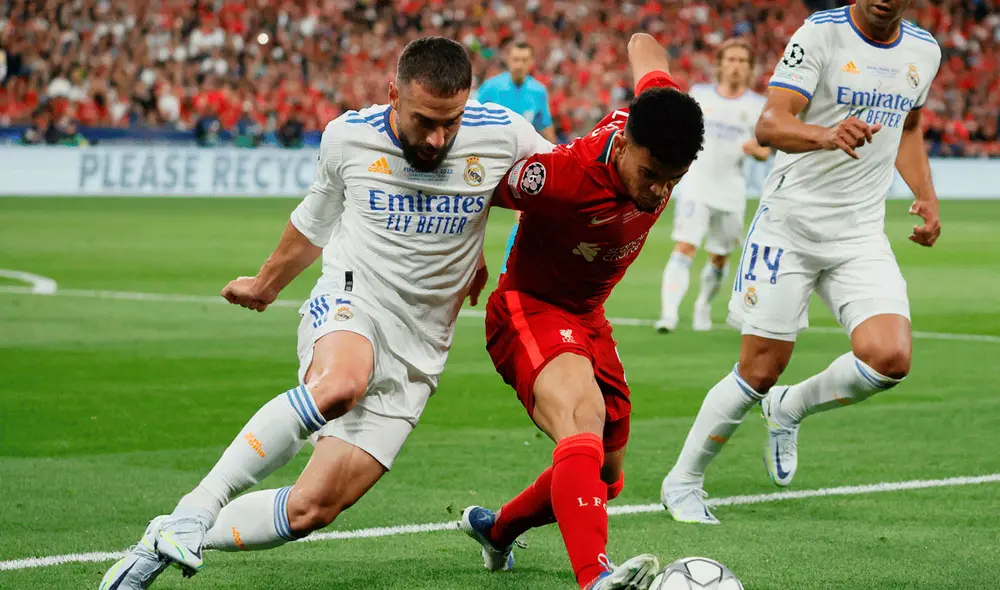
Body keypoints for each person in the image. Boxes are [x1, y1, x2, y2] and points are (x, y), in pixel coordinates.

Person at [99, 36, 553, 589]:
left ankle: (167, 537)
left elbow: (565, 181)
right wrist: (266, 285)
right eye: (424, 121)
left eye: (451, 122)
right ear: (393, 95)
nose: (437, 138)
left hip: (422, 345)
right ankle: (197, 506)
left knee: (310, 510)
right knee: (341, 383)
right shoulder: (349, 137)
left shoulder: (502, 131)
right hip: (352, 297)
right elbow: (314, 220)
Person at [661, 0, 942, 525]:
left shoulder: (924, 51)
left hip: (860, 232)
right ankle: (683, 481)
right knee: (760, 369)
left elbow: (907, 128)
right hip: (789, 224)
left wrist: (925, 194)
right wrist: (826, 135)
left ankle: (790, 409)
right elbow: (770, 125)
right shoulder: (820, 34)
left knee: (890, 357)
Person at [460, 33, 705, 590]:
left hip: (589, 316)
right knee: (582, 421)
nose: (659, 190)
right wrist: (468, 256)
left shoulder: (657, 118)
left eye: (674, 178)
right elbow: (468, 182)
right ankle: (594, 578)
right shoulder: (563, 177)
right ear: (622, 147)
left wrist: (651, 62)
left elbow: (645, 43)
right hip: (530, 307)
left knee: (605, 476)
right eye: (651, 175)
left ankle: (497, 531)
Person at [656, 39, 770, 333]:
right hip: (698, 184)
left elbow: (766, 151)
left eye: (742, 61)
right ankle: (668, 314)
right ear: (720, 64)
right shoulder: (700, 96)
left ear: (750, 69)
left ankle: (703, 306)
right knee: (684, 246)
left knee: (720, 255)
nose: (736, 66)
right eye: (731, 59)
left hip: (732, 189)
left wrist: (755, 149)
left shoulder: (757, 106)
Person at [476, 40, 557, 273]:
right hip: (489, 161)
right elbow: (470, 117)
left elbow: (545, 126)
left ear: (531, 62)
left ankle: (508, 270)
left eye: (524, 60)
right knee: (471, 215)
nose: (519, 64)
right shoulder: (491, 88)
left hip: (521, 164)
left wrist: (557, 156)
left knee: (524, 216)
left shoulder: (538, 91)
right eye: (515, 59)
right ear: (508, 60)